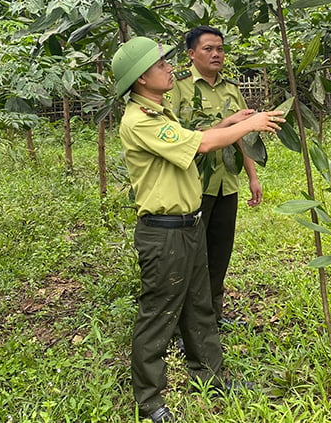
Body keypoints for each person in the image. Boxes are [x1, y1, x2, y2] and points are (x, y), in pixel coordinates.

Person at [111, 36, 284, 423]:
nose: (168, 68)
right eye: (160, 65)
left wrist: (230, 122)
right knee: (158, 314)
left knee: (200, 306)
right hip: (164, 232)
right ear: (141, 79)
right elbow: (202, 145)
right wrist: (251, 124)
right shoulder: (140, 121)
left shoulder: (160, 113)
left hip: (188, 225)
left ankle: (210, 375)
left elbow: (193, 139)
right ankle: (150, 401)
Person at [168, 26, 260, 328]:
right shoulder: (177, 89)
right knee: (193, 258)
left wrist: (252, 177)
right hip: (193, 186)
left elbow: (243, 136)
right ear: (191, 54)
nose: (216, 54)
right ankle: (189, 323)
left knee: (220, 254)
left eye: (220, 48)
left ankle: (213, 316)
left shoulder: (232, 89)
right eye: (208, 48)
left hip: (226, 185)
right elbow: (182, 139)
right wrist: (226, 122)